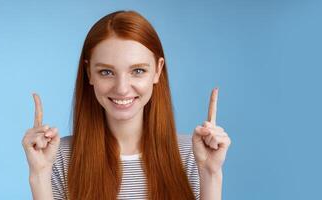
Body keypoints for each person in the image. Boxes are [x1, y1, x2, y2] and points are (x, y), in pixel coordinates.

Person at [21, 10, 231, 200]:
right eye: (106, 72)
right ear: (89, 73)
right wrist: (39, 176)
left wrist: (211, 173)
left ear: (157, 70)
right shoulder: (59, 156)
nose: (122, 88)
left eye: (138, 71)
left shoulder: (191, 153)